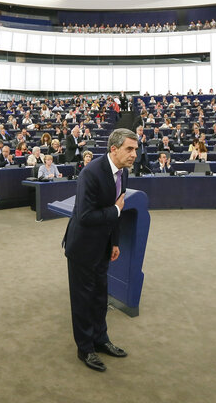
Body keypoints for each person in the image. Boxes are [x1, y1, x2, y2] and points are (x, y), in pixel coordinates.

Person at [61, 128, 137, 372]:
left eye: (135, 149)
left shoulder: (123, 173)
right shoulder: (90, 173)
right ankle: (85, 348)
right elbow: (85, 215)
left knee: (99, 297)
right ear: (113, 149)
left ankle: (101, 339)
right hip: (82, 247)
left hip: (103, 246)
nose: (134, 154)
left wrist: (114, 241)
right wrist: (115, 211)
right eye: (129, 149)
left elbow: (116, 209)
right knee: (83, 300)